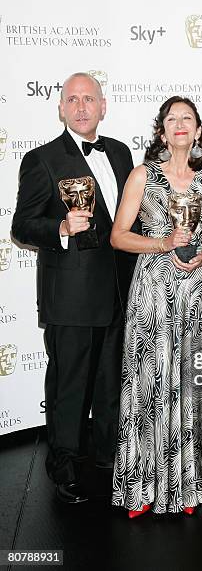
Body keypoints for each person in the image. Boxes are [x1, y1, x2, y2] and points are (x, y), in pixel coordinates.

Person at [12, 72, 137, 504]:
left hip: (119, 290)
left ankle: (107, 455)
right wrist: (61, 227)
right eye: (73, 99)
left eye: (90, 99)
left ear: (104, 106)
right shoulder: (41, 159)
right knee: (68, 383)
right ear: (61, 108)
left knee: (109, 381)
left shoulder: (120, 153)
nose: (82, 106)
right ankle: (62, 462)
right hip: (69, 294)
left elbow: (129, 221)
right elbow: (21, 226)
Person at [110, 96, 202, 516]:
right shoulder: (143, 175)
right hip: (155, 292)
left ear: (198, 130)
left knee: (196, 385)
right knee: (152, 385)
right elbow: (119, 236)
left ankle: (191, 488)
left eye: (188, 118)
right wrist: (162, 243)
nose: (180, 124)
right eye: (171, 119)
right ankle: (144, 489)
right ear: (161, 131)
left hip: (198, 290)